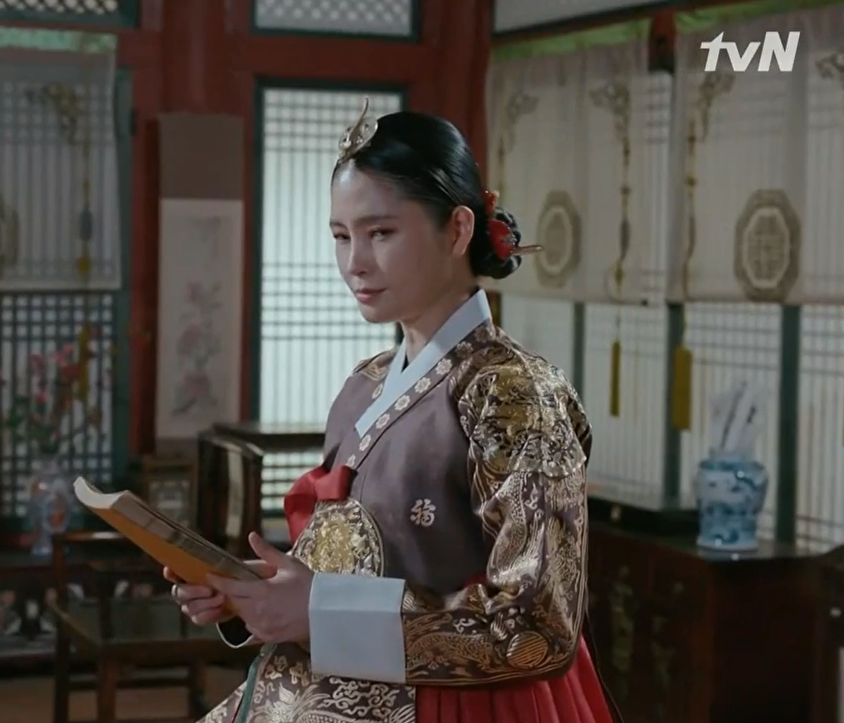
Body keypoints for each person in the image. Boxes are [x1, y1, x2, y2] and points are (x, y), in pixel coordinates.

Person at [165, 100, 621, 723]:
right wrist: (258, 594)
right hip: (321, 690)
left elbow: (539, 627)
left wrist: (318, 612)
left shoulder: (515, 394)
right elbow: (349, 565)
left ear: (457, 230)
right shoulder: (366, 384)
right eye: (341, 236)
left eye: (380, 233)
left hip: (452, 706)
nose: (355, 261)